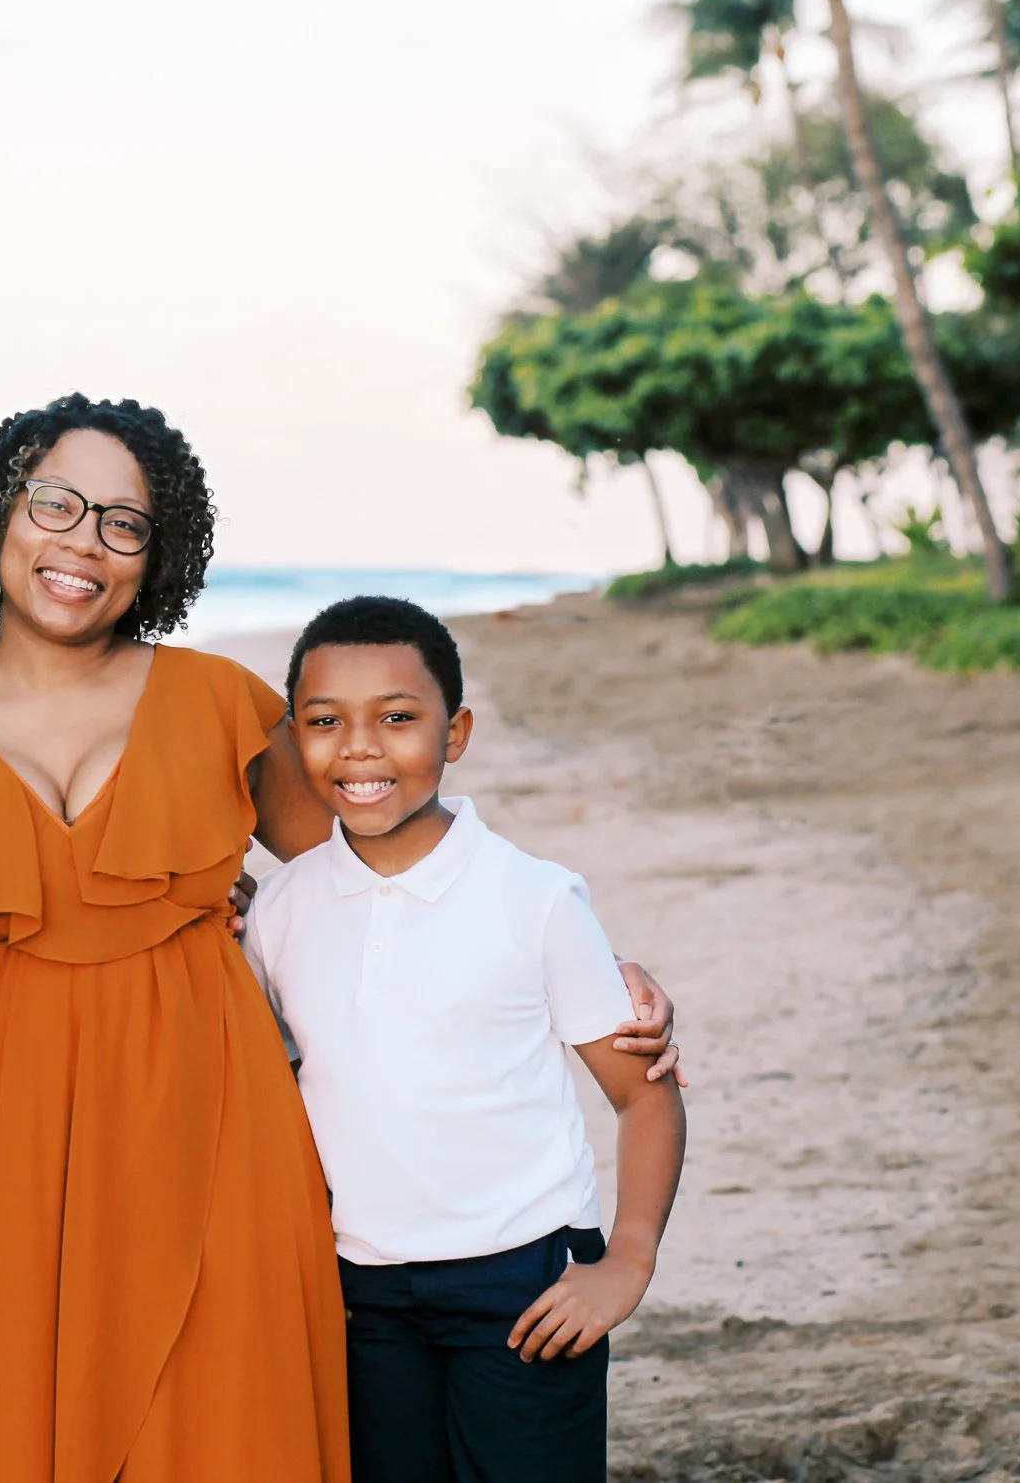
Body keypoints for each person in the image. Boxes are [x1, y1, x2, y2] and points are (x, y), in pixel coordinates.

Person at [0, 402, 682, 1483]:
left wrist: (602, 978)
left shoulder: (218, 701)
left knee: (225, 1422)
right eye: (56, 503)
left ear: (157, 552)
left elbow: (384, 864)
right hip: (3, 1129)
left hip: (218, 1120)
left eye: (125, 522)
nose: (84, 540)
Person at [241, 596, 688, 1483]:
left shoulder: (535, 897)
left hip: (521, 1283)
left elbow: (646, 1096)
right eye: (326, 722)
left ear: (457, 733)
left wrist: (628, 1259)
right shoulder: (284, 909)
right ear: (295, 742)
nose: (361, 747)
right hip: (364, 1291)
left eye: (398, 719)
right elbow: (279, 1075)